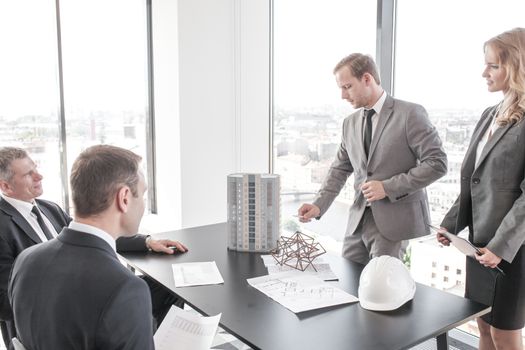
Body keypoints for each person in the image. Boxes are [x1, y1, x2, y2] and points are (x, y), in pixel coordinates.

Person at [0, 146, 187, 347]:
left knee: (164, 289)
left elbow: (83, 230)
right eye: (141, 195)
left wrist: (146, 242)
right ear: (124, 198)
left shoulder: (28, 252)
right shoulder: (126, 288)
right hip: (63, 314)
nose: (39, 176)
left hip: (48, 334)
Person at [298, 53, 447, 264]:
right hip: (357, 219)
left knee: (383, 289)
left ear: (367, 79)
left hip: (393, 223)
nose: (342, 95)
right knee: (348, 282)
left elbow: (437, 164)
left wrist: (387, 187)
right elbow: (339, 169)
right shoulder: (349, 123)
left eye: (347, 87)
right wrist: (319, 205)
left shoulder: (410, 114)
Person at [438, 28, 525, 350]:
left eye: (493, 66)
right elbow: (472, 180)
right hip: (479, 243)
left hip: (512, 248)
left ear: (516, 66)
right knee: (484, 325)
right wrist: (450, 224)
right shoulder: (491, 113)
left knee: (504, 332)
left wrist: (501, 247)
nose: (484, 73)